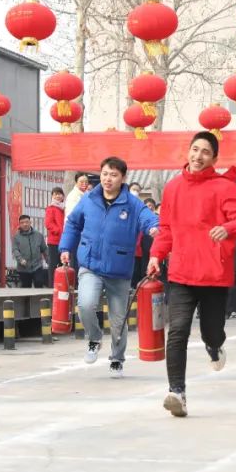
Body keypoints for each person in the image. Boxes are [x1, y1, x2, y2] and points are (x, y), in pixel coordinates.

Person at [147, 131, 236, 417]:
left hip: (213, 274)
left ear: (214, 159)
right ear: (188, 152)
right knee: (178, 331)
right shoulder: (173, 187)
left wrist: (228, 228)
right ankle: (177, 392)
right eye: (195, 149)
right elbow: (166, 228)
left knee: (212, 331)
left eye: (205, 152)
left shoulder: (223, 187)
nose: (198, 156)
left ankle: (214, 346)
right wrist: (156, 255)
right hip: (182, 272)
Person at [60, 157, 159, 377]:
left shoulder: (132, 203)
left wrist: (154, 228)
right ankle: (95, 338)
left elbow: (149, 219)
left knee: (118, 321)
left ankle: (117, 359)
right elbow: (73, 223)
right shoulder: (89, 199)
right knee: (85, 305)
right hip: (90, 264)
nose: (108, 179)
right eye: (104, 174)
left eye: (113, 175)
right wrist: (66, 247)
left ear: (123, 178)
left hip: (119, 269)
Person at [12, 214, 47, 287]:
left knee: (39, 282)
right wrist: (20, 259)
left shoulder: (38, 235)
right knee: (26, 287)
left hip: (37, 266)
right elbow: (15, 250)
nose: (25, 224)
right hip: (23, 268)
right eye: (22, 223)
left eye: (26, 222)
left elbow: (44, 249)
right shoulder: (16, 237)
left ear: (30, 223)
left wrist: (49, 261)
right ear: (19, 224)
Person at [44, 187, 65, 287]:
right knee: (53, 264)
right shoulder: (51, 208)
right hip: (54, 241)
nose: (58, 196)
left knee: (63, 263)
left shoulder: (64, 208)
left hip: (64, 240)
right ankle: (51, 285)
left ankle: (61, 285)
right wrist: (59, 231)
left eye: (60, 194)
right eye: (55, 194)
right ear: (52, 196)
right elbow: (48, 223)